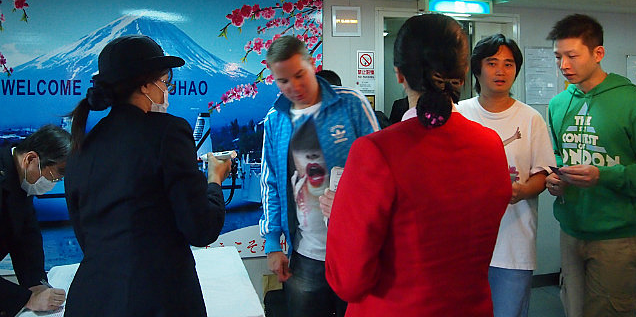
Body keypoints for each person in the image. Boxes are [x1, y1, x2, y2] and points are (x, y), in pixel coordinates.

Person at [325, 13, 512, 316]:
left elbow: (349, 281)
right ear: (464, 73)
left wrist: (340, 215)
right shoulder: (490, 145)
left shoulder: (377, 151)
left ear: (399, 74)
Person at [64, 35, 231, 317]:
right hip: (155, 300)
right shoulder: (168, 132)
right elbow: (201, 228)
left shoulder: (83, 145)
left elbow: (85, 234)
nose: (167, 90)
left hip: (91, 299)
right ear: (145, 84)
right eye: (165, 82)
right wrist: (214, 181)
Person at [259, 35, 379, 317]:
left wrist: (353, 204)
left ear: (312, 64)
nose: (294, 87)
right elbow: (271, 182)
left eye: (300, 75)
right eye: (283, 81)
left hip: (357, 249)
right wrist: (273, 241)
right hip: (306, 254)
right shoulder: (276, 119)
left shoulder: (350, 103)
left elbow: (381, 168)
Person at [544, 14, 636, 317]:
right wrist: (554, 178)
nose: (563, 65)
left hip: (617, 235)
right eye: (558, 57)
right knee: (573, 309)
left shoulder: (631, 101)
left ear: (598, 53)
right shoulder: (558, 104)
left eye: (572, 56)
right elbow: (558, 155)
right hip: (571, 229)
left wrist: (603, 176)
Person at [457, 34, 556, 317]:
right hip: (463, 243)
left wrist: (522, 191)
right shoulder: (459, 113)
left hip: (513, 243)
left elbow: (542, 173)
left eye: (508, 64)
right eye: (492, 63)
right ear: (477, 69)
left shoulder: (530, 118)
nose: (501, 71)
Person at [0, 124, 70, 317]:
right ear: (31, 159)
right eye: (54, 177)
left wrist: (36, 284)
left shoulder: (21, 180)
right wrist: (26, 299)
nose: (53, 184)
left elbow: (27, 240)